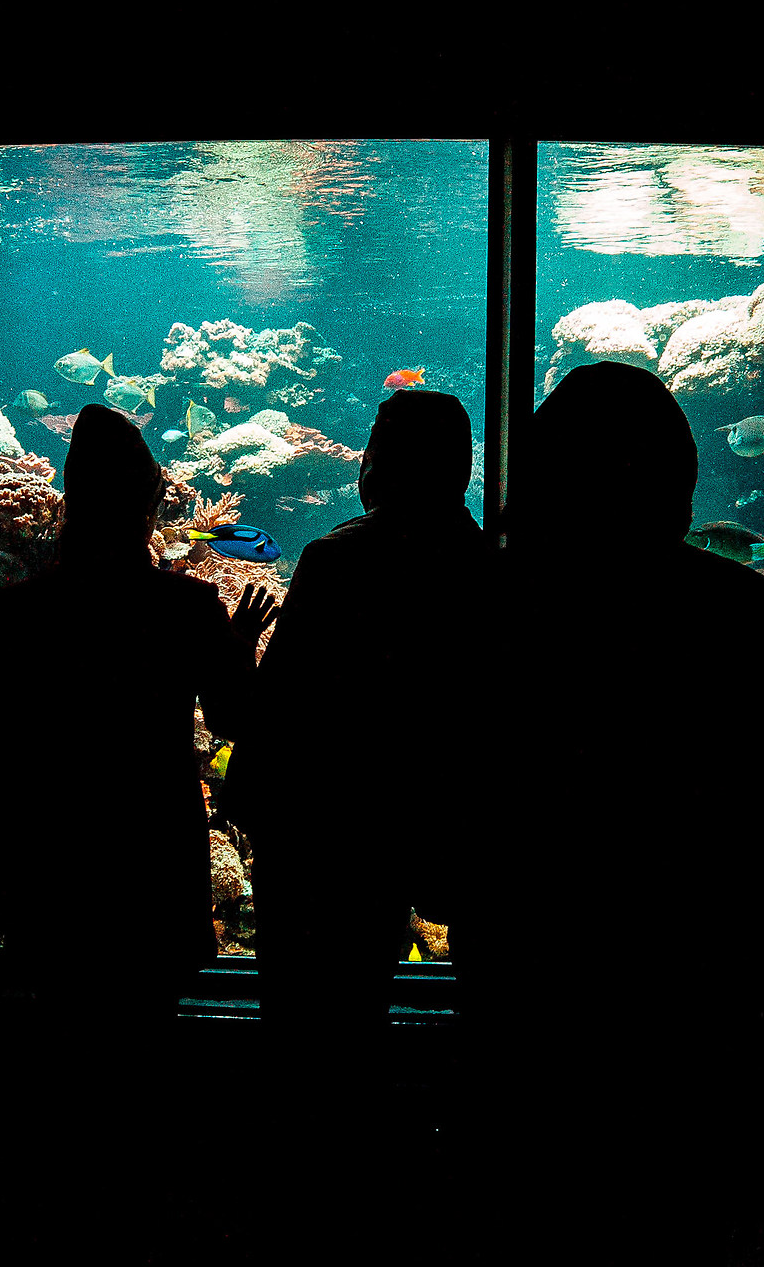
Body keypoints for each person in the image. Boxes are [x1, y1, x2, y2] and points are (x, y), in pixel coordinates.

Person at [463, 362, 764, 1261]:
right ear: (680, 474)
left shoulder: (479, 608)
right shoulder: (749, 614)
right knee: (682, 1188)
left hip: (523, 946)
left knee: (532, 1180)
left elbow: (429, 777)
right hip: (697, 951)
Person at [229, 389, 490, 1192]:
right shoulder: (490, 569)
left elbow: (279, 711)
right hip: (431, 827)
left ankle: (310, 1186)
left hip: (328, 836)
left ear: (380, 462)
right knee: (379, 1010)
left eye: (374, 442)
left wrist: (234, 659)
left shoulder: (338, 562)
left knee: (313, 1034)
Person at [0, 403, 276, 1055]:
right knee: (146, 1040)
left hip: (57, 856)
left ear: (72, 495)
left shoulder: (22, 611)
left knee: (59, 1034)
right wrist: (241, 645)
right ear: (149, 501)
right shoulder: (186, 606)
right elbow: (232, 718)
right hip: (153, 857)